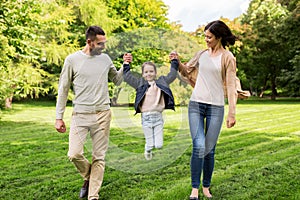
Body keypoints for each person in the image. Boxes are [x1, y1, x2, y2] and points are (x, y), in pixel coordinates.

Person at [54, 25, 132, 200]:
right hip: (80, 115)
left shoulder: (105, 59)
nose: (103, 47)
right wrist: (59, 117)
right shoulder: (72, 60)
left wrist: (125, 66)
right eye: (100, 43)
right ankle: (89, 176)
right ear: (89, 42)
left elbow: (117, 80)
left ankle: (93, 196)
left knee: (99, 156)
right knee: (74, 154)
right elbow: (63, 89)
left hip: (102, 114)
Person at [178, 20, 238, 199]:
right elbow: (186, 71)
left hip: (216, 107)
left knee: (209, 149)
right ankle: (194, 189)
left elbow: (231, 86)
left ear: (218, 37)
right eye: (204, 36)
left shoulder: (228, 58)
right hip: (196, 104)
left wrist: (232, 113)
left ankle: (206, 186)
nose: (206, 40)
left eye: (209, 37)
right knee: (199, 145)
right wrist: (177, 61)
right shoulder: (201, 54)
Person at [123, 52, 179, 160]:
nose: (149, 74)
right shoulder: (140, 84)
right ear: (143, 74)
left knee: (159, 145)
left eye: (151, 71)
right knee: (150, 145)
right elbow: (127, 76)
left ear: (155, 73)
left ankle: (151, 147)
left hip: (158, 118)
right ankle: (147, 150)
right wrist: (126, 63)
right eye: (146, 72)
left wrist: (174, 61)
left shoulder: (162, 82)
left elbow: (172, 75)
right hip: (146, 118)